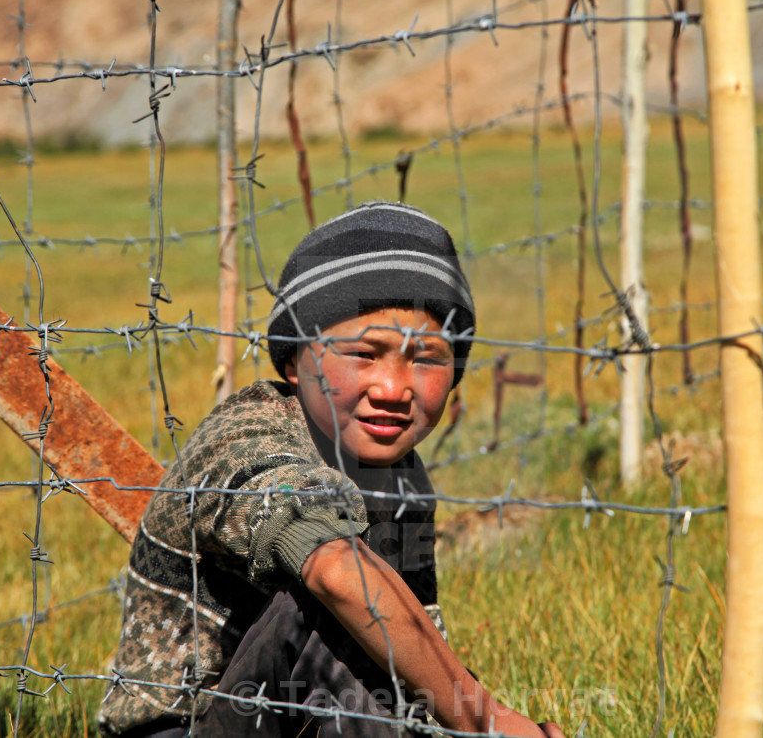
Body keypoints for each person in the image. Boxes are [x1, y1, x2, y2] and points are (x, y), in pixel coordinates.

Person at [99, 202, 566, 737]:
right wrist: (487, 720)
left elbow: (411, 672)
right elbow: (333, 571)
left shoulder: (402, 481)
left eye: (428, 358)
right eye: (365, 354)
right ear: (295, 361)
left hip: (307, 715)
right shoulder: (247, 440)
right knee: (333, 598)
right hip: (189, 728)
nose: (393, 389)